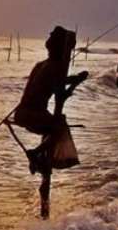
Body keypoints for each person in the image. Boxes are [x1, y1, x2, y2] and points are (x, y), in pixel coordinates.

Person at [13, 26, 88, 174]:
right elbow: (62, 95)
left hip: (22, 112)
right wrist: (76, 81)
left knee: (53, 124)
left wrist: (74, 79)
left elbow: (59, 81)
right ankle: (36, 152)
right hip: (33, 115)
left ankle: (40, 160)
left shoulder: (42, 64)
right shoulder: (54, 68)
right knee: (59, 127)